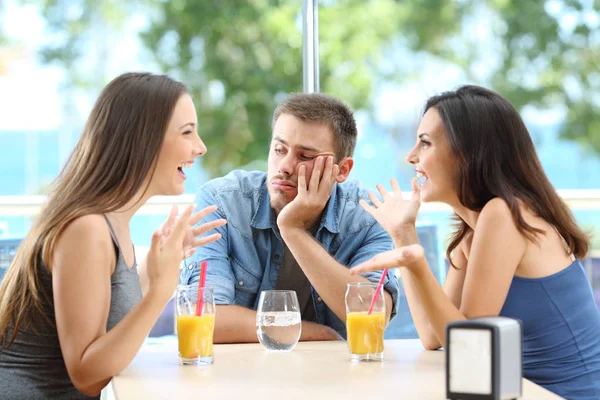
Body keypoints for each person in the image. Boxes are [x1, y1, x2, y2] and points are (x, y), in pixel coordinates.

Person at [350, 85, 600, 399]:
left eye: (425, 143)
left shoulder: (505, 214)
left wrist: (415, 262)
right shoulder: (475, 229)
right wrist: (404, 234)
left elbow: (469, 344)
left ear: (468, 152)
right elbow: (432, 335)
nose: (411, 156)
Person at [0, 72, 226, 399]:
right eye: (187, 132)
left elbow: (115, 315)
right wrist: (160, 289)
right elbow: (88, 375)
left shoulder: (112, 220)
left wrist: (157, 268)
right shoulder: (87, 228)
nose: (200, 147)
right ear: (142, 141)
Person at [180, 93, 400, 342]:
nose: (284, 166)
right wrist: (318, 334)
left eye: (305, 156)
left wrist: (292, 229)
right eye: (279, 149)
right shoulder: (222, 202)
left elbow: (374, 317)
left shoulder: (367, 216)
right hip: (240, 374)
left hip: (335, 376)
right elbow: (203, 318)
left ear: (343, 170)